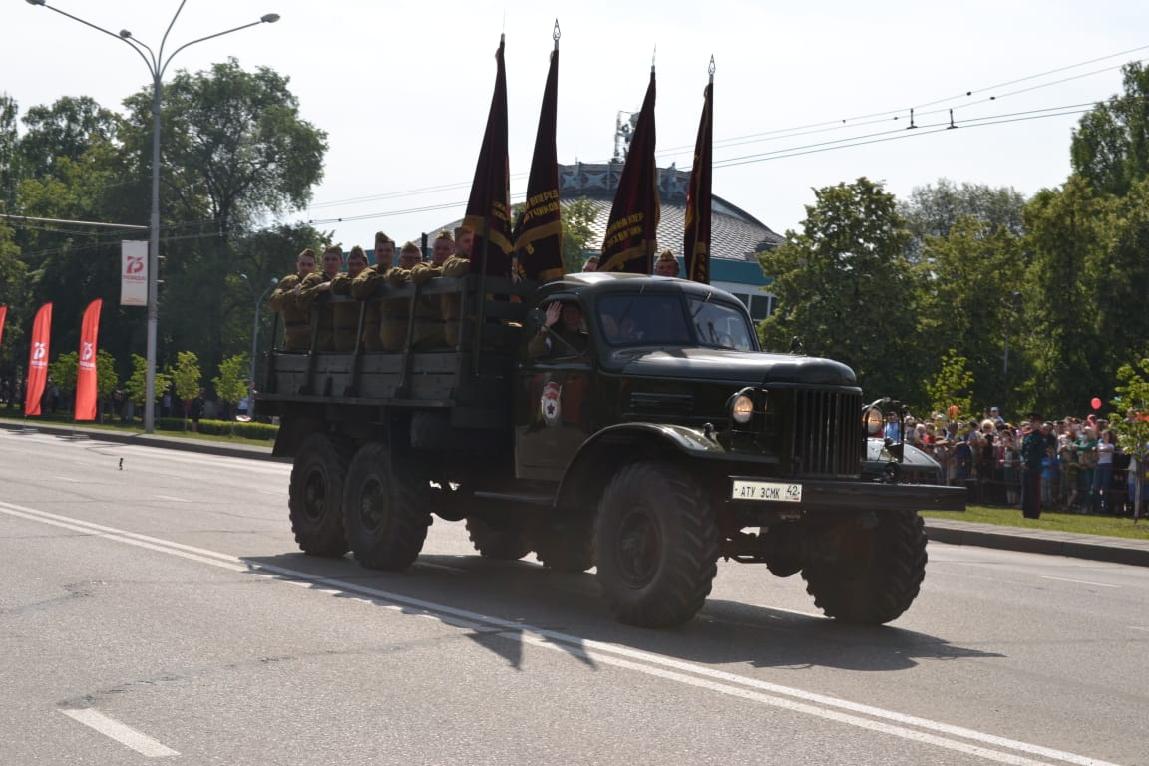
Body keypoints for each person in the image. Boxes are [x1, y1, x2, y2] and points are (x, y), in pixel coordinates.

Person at [269, 248, 317, 351]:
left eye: (309, 265)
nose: (306, 268)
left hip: (317, 339)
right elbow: (274, 303)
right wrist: (292, 293)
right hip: (294, 340)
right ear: (297, 264)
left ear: (315, 266)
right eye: (302, 264)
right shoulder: (289, 281)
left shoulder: (319, 280)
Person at [330, 245, 369, 351]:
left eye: (359, 264)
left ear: (366, 265)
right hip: (344, 343)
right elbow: (336, 284)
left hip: (367, 342)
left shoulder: (371, 279)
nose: (355, 268)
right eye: (351, 264)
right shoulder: (341, 279)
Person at [1019, 412, 1045, 519]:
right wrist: (1023, 462)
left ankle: (1034, 513)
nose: (1032, 424)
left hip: (1034, 467)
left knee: (1034, 490)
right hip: (1026, 466)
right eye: (1031, 422)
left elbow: (1039, 453)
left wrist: (1029, 463)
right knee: (1026, 489)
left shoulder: (1040, 437)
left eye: (1034, 422)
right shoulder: (1027, 435)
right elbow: (1023, 451)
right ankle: (1026, 512)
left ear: (1039, 424)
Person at [1091, 430, 1116, 514]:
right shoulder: (1099, 444)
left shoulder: (1111, 445)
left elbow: (1106, 449)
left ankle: (1105, 507)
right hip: (1099, 465)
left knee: (1105, 487)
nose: (1105, 436)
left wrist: (1097, 449)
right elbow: (1096, 451)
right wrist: (1097, 449)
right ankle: (1097, 506)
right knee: (1096, 486)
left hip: (1107, 465)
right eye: (1103, 435)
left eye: (1106, 435)